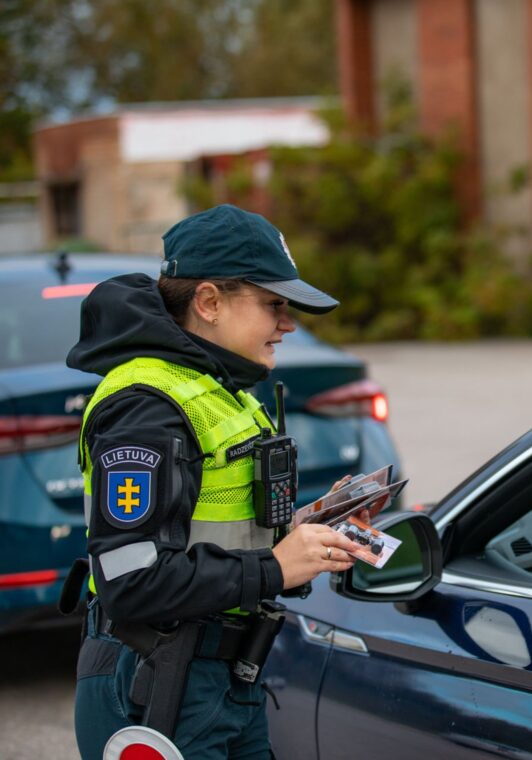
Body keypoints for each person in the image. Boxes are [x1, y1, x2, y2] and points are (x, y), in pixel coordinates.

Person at [65, 204, 362, 759]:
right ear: (208, 301)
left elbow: (208, 530)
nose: (289, 323)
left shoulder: (216, 386)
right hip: (153, 679)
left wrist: (299, 531)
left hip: (219, 677)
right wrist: (274, 567)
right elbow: (130, 581)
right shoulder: (147, 405)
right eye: (274, 304)